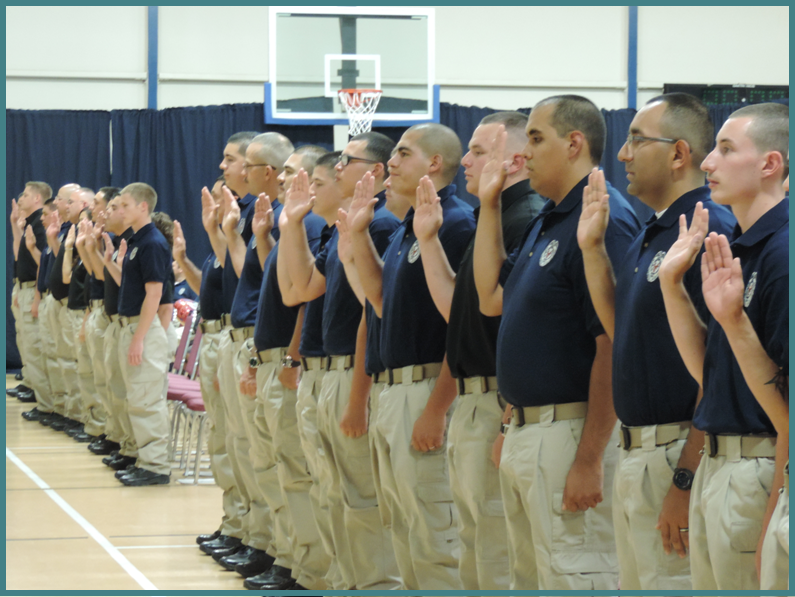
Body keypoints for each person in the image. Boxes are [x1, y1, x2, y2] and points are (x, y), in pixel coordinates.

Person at [473, 95, 640, 590]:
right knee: (529, 578)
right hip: (531, 430)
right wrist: (511, 421)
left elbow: (612, 343)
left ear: (574, 144)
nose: (524, 153)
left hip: (571, 434)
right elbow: (491, 299)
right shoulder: (549, 219)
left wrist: (589, 459)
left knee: (575, 575)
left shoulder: (602, 217)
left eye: (536, 138)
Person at [576, 93, 735, 590]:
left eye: (636, 140)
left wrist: (684, 480)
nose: (621, 154)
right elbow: (622, 332)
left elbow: (721, 370)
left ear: (678, 154)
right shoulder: (655, 231)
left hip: (677, 451)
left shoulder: (709, 230)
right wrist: (591, 250)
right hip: (637, 453)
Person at [411, 112, 544, 590]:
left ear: (514, 160)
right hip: (474, 399)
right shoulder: (495, 214)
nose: (465, 160)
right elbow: (459, 309)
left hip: (497, 401)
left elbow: (525, 328)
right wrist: (428, 240)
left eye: (479, 151)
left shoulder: (524, 218)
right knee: (473, 540)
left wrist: (509, 415)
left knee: (494, 547)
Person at [658, 102, 788, 590]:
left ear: (769, 164)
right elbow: (711, 379)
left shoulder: (783, 254)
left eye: (726, 149)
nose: (708, 162)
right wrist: (672, 285)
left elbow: (787, 414)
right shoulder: (740, 246)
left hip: (759, 466)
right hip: (719, 467)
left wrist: (775, 508)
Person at [347, 122, 476, 589]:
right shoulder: (408, 228)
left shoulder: (456, 222)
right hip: (392, 390)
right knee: (401, 524)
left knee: (434, 534)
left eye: (403, 153)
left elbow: (459, 329)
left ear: (435, 163)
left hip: (426, 390)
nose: (392, 163)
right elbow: (379, 300)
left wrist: (437, 409)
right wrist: (359, 234)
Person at [278, 133, 400, 591]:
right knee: (329, 492)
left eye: (349, 160)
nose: (341, 168)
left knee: (361, 501)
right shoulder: (339, 229)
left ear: (374, 172)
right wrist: (292, 224)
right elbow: (302, 290)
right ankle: (339, 582)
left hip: (350, 371)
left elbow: (375, 311)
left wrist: (358, 396)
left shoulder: (382, 226)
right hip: (322, 371)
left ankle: (370, 585)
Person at [242, 144, 328, 592]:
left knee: (295, 472)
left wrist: (293, 355)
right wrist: (263, 239)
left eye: (291, 172)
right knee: (276, 468)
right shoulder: (289, 224)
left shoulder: (311, 224)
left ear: (311, 183)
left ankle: (301, 565)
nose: (280, 178)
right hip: (272, 356)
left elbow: (302, 299)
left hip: (290, 362)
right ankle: (285, 554)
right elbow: (275, 288)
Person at [215, 132, 297, 583]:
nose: (235, 170)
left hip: (274, 346)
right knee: (247, 450)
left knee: (274, 459)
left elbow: (288, 288)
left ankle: (281, 551)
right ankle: (258, 538)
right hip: (250, 338)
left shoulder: (286, 217)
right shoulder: (256, 215)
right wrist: (223, 231)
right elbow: (251, 276)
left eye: (242, 162)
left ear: (266, 171)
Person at [177, 175, 248, 552]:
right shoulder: (219, 241)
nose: (215, 203)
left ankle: (249, 530)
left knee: (238, 440)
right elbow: (208, 285)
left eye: (223, 196)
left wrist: (219, 232)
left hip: (230, 335)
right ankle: (234, 523)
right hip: (214, 333)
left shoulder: (236, 236)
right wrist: (183, 261)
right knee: (221, 438)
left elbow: (243, 277)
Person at [111, 182, 173, 486]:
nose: (119, 210)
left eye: (124, 205)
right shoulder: (136, 242)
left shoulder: (152, 242)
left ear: (142, 207)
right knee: (135, 398)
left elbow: (155, 294)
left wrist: (139, 338)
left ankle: (156, 466)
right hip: (132, 326)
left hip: (143, 330)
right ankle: (143, 458)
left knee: (147, 400)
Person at [14, 182, 53, 419]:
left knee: (36, 348)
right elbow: (22, 258)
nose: (20, 198)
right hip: (23, 287)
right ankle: (33, 388)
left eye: (26, 194)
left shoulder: (40, 224)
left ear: (37, 198)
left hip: (33, 290)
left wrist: (37, 296)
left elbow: (43, 264)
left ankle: (44, 402)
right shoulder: (29, 222)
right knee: (26, 344)